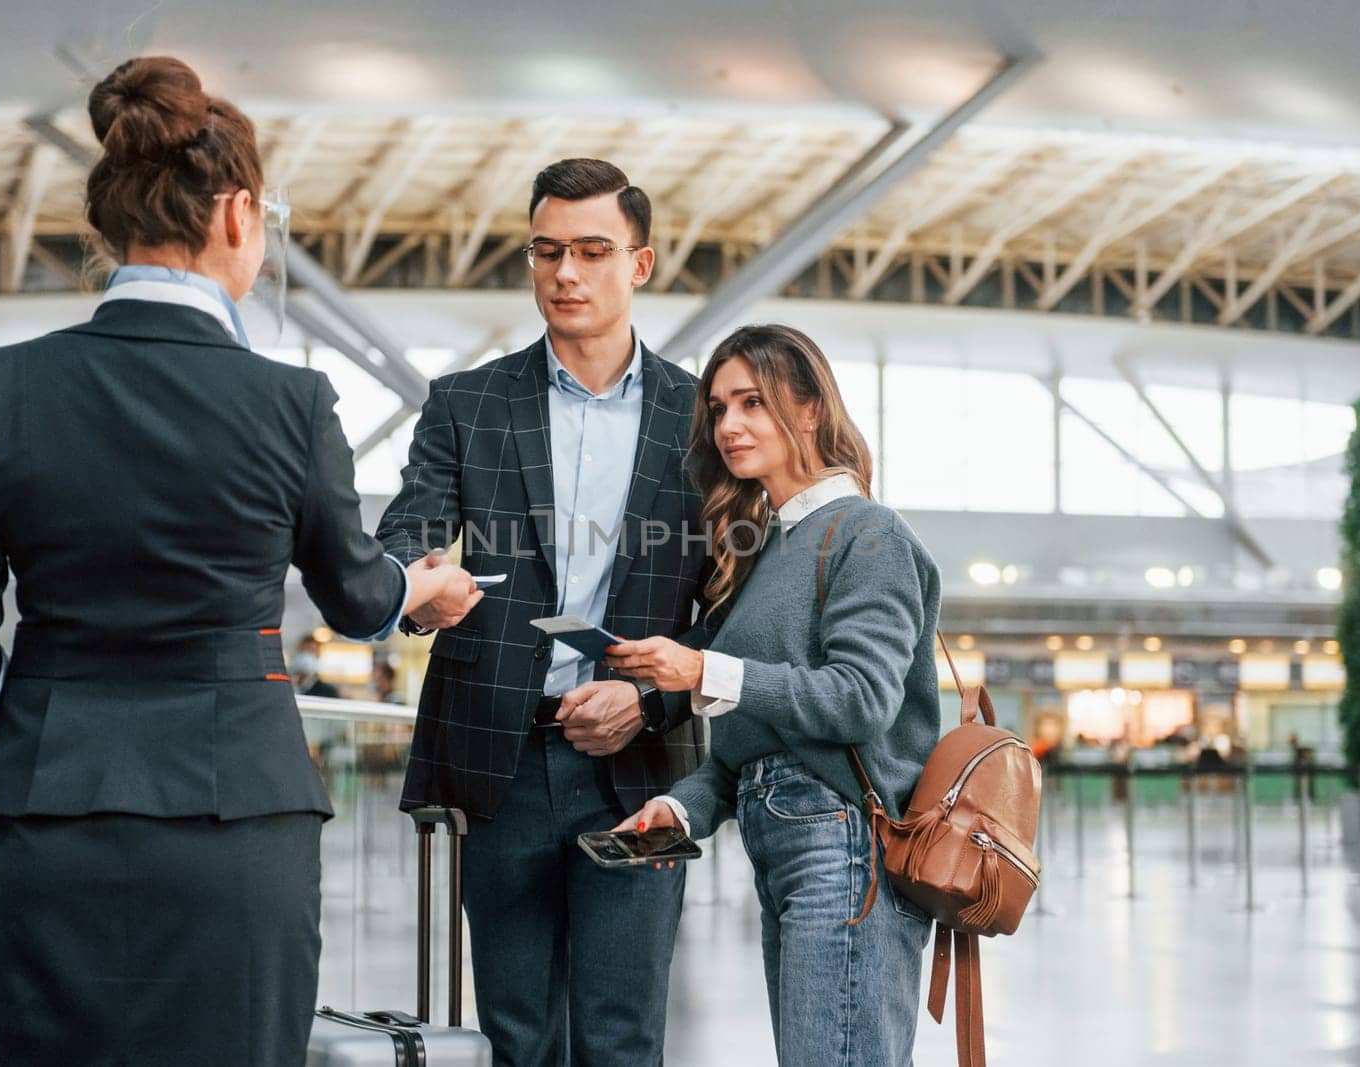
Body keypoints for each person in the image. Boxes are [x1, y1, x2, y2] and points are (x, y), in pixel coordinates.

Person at [0, 56, 479, 1066]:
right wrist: (416, 593)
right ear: (238, 215)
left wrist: (16, 698)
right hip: (238, 816)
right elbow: (356, 593)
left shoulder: (0, 388)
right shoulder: (290, 404)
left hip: (48, 815)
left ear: (112, 222)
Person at [376, 158, 709, 1066]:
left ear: (639, 265)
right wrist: (419, 574)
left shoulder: (701, 415)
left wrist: (654, 697)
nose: (565, 273)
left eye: (592, 251)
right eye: (547, 251)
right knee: (516, 1036)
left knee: (623, 1033)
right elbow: (411, 524)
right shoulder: (467, 402)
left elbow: (726, 604)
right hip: (503, 755)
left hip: (641, 765)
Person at [607, 324, 941, 1067]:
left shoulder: (867, 533)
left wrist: (702, 671)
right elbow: (750, 746)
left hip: (846, 847)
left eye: (752, 402)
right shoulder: (767, 555)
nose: (729, 426)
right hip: (787, 849)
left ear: (812, 408)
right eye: (719, 408)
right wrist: (682, 806)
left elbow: (859, 701)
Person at [293, 633, 341, 698]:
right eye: (304, 650)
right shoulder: (286, 685)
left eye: (311, 651)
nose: (306, 656)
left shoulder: (328, 692)